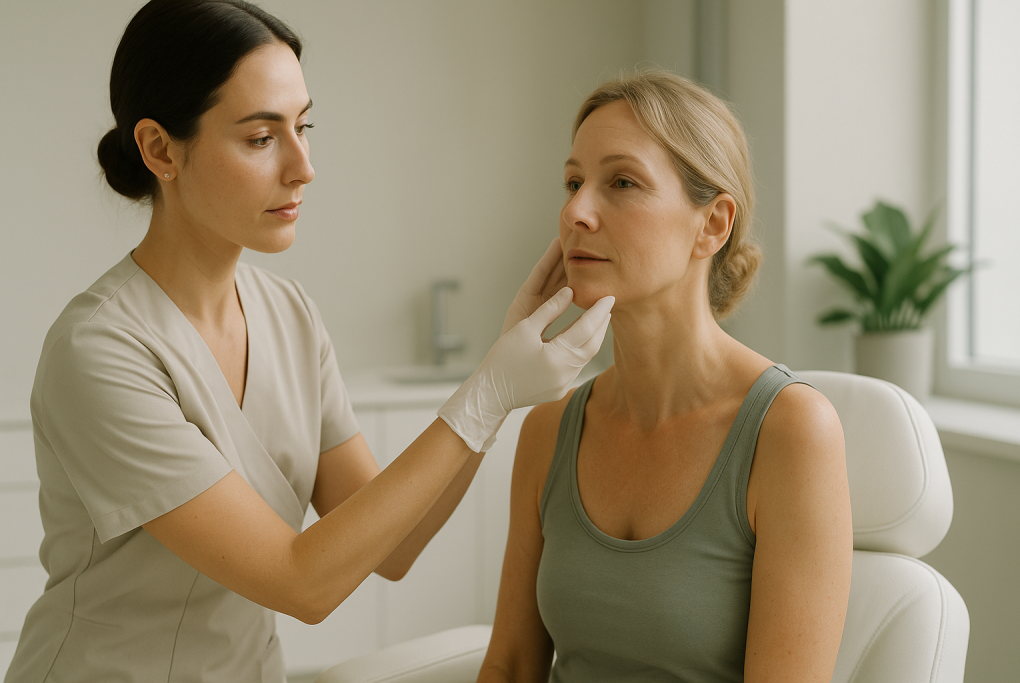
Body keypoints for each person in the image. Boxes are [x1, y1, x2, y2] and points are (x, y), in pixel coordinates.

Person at [4, 2, 614, 681]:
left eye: (303, 127)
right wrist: (486, 394)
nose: (303, 167)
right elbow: (300, 582)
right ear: (160, 150)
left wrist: (497, 385)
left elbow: (395, 547)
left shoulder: (289, 315)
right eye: (261, 138)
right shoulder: (99, 352)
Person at [478, 72, 853, 682]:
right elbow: (512, 665)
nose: (575, 212)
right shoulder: (549, 427)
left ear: (713, 224)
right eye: (573, 183)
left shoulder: (790, 431)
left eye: (622, 182)